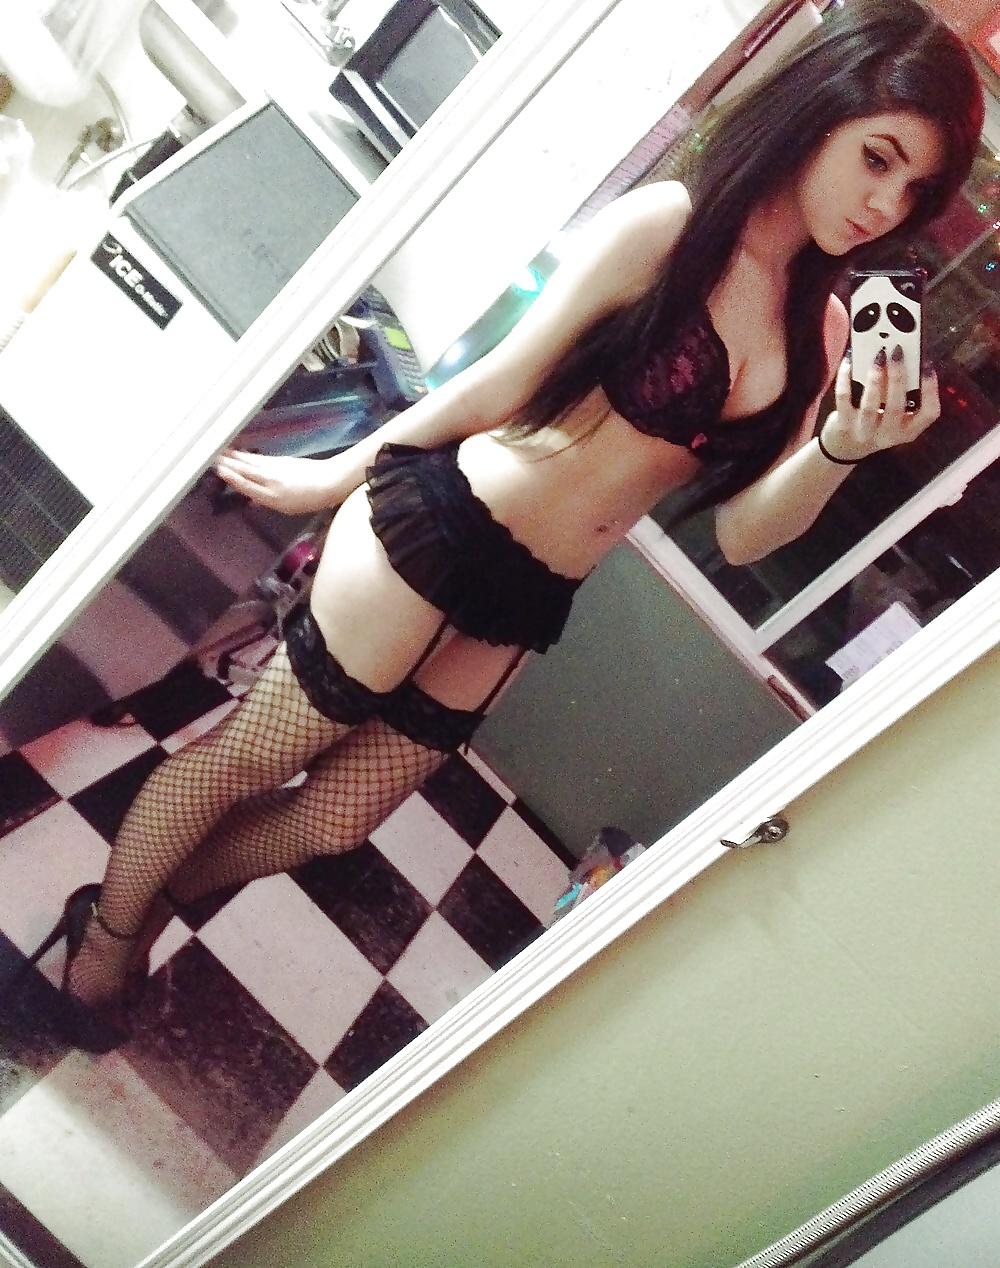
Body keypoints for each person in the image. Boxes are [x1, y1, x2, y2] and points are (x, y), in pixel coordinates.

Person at [26, 0, 984, 1051]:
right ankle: (109, 933)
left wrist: (838, 446)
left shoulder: (824, 330)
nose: (884, 203)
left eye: (914, 191)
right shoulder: (668, 225)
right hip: (440, 527)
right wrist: (341, 471)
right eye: (878, 159)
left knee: (334, 820)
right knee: (248, 760)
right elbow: (503, 379)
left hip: (528, 596)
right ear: (821, 110)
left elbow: (745, 537)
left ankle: (142, 895)